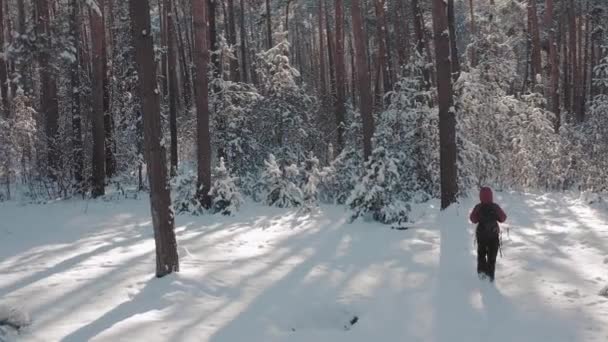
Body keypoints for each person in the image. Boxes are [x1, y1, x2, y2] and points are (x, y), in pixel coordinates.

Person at [469, 187, 507, 282]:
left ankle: (481, 274)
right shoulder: (495, 207)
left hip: (481, 235)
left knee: (481, 254)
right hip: (493, 236)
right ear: (491, 196)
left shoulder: (478, 207)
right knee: (492, 256)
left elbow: (473, 219)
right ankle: (490, 276)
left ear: (480, 196)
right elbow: (503, 218)